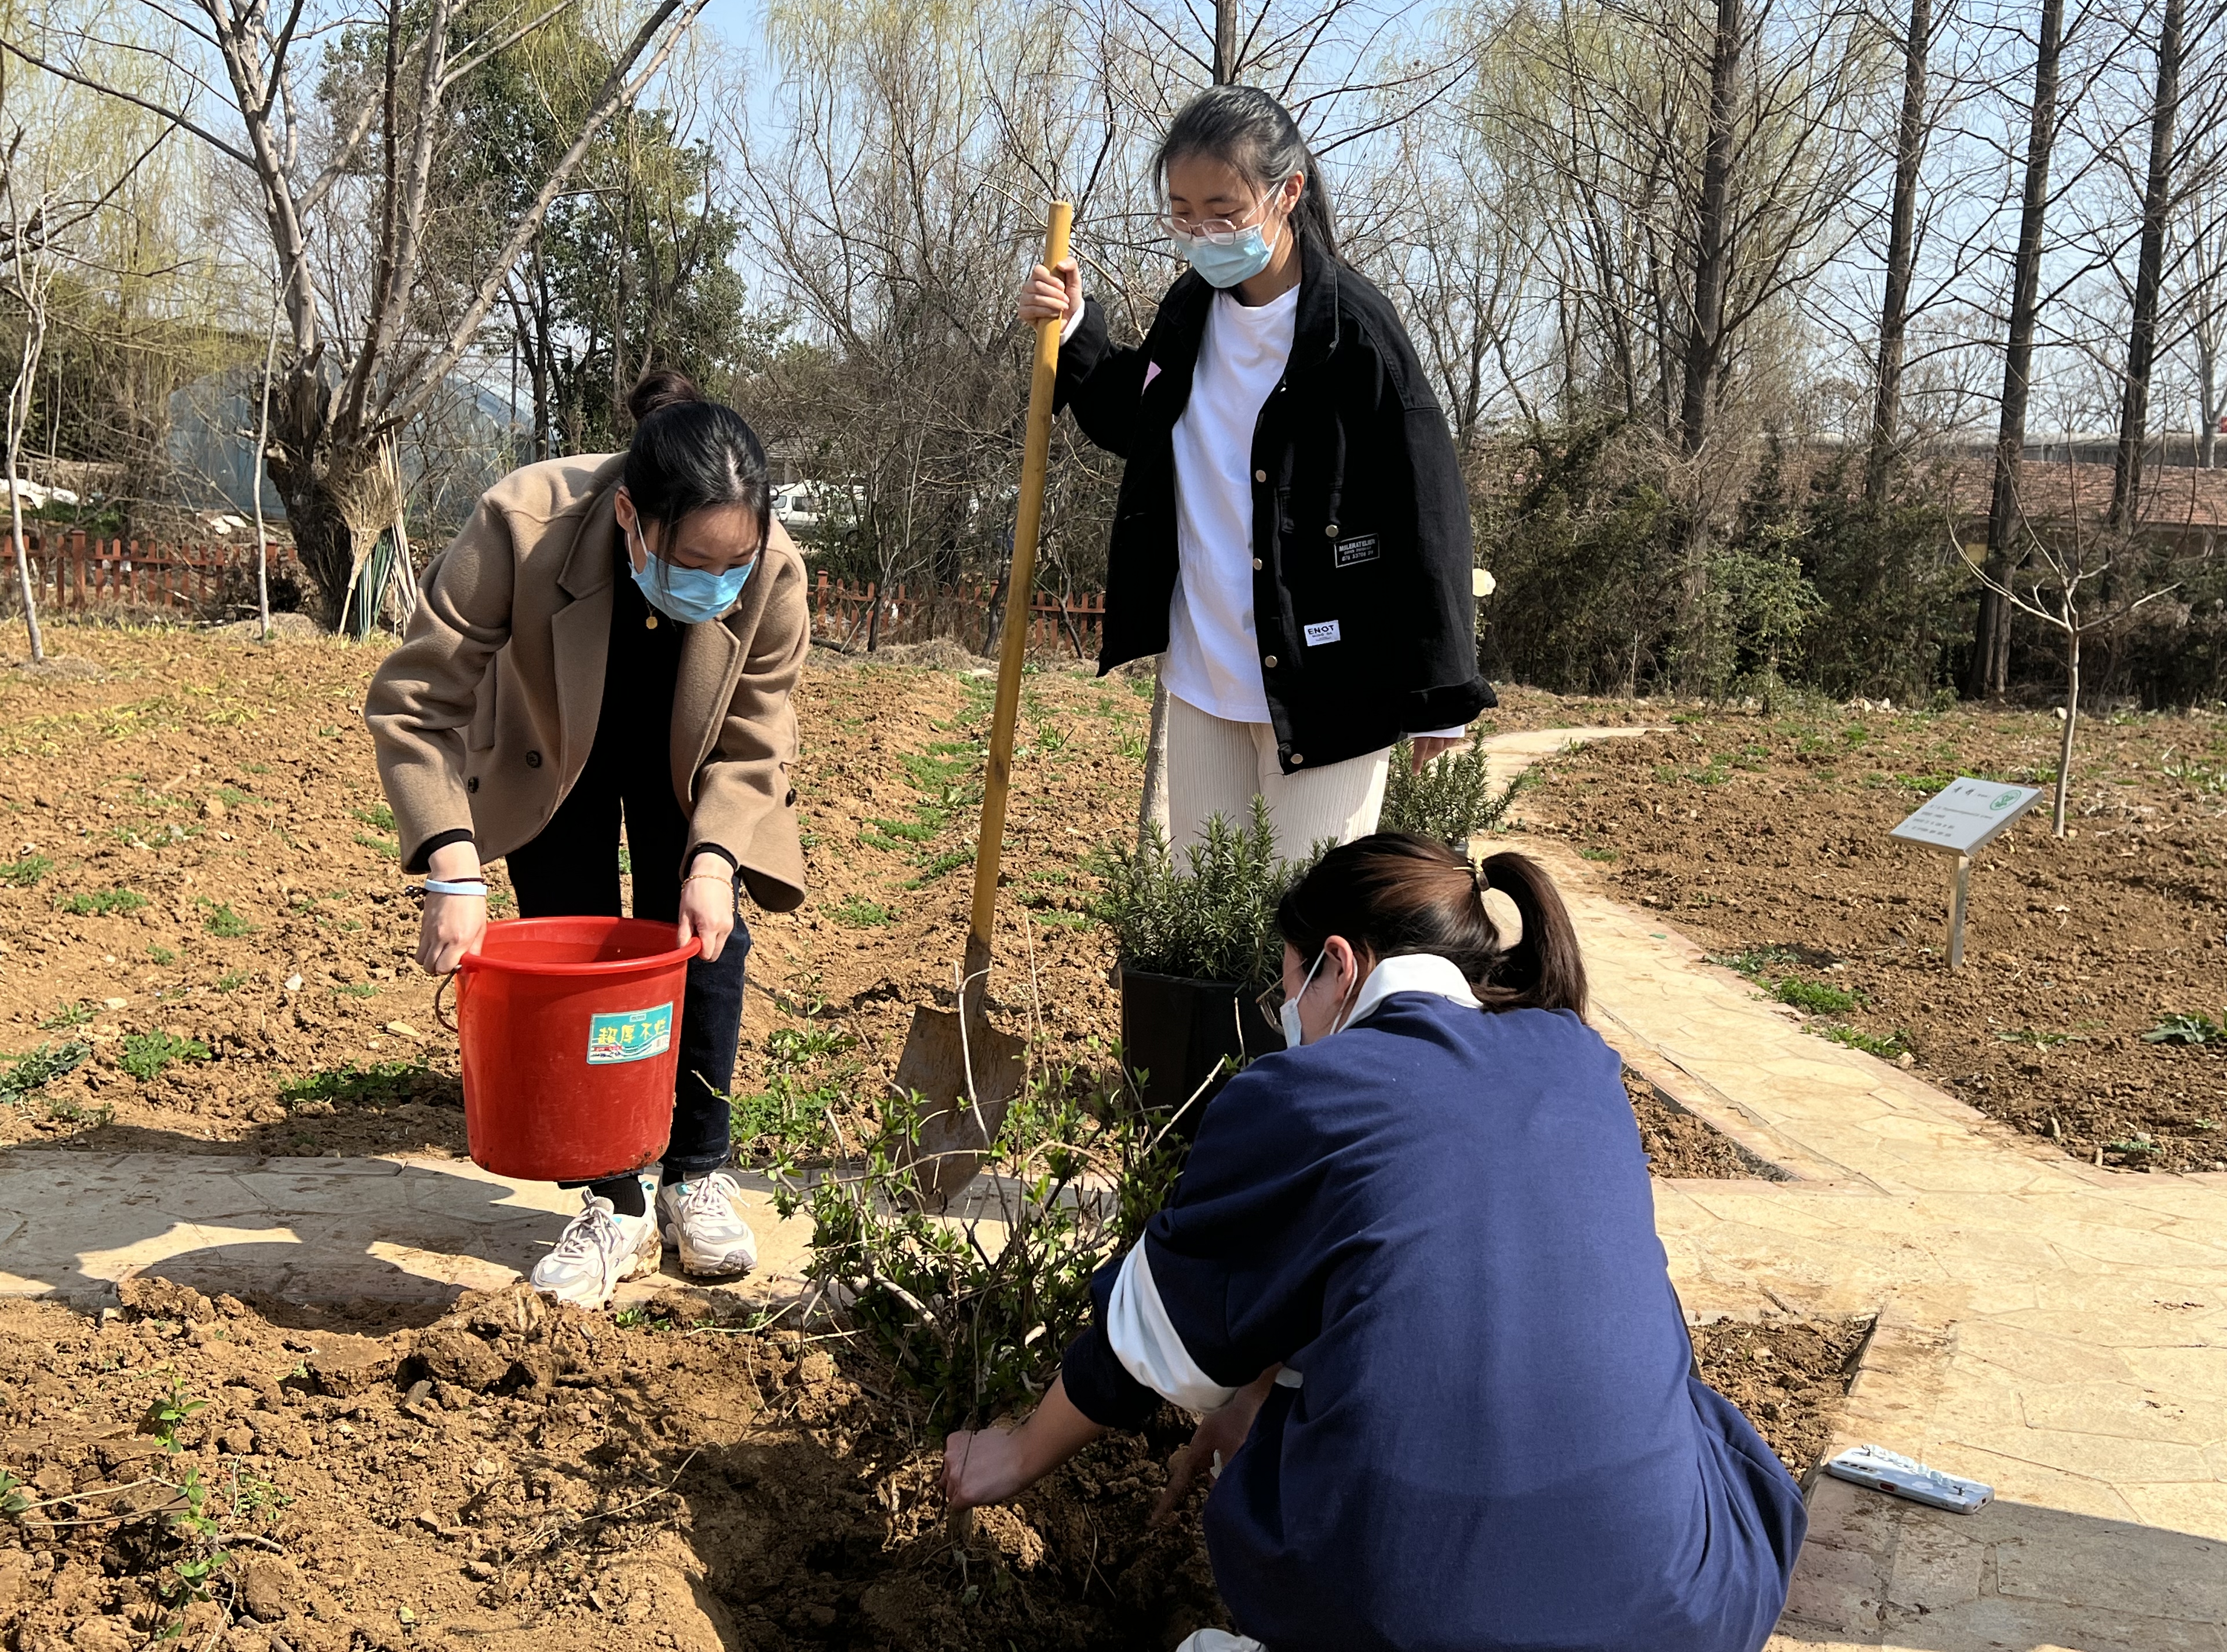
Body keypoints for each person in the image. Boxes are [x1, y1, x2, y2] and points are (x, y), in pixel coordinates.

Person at [943, 834, 1806, 1652]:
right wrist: (1253, 1398)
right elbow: (1435, 1272)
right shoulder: (1577, 1060)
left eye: (1291, 987)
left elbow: (1145, 1339)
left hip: (1411, 1619)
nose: (1289, 1017)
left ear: (1340, 964)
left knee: (1335, 1523)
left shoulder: (1310, 1095)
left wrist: (1012, 1455)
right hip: (1683, 1609)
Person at [365, 370, 809, 1308]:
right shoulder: (521, 525)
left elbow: (759, 730)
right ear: (628, 518)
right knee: (580, 949)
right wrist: (451, 867)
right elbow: (415, 704)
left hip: (691, 759)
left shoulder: (773, 572)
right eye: (692, 561)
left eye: (735, 563)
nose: (717, 583)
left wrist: (719, 856)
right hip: (549, 744)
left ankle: (694, 1172)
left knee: (701, 938)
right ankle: (614, 1195)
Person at [1017, 86, 1495, 859]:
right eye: (1182, 213)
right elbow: (1140, 428)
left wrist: (1443, 694)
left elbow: (1429, 505)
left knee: (1305, 916)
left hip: (1330, 681)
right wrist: (1074, 330)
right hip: (1205, 669)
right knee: (1203, 911)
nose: (1202, 233)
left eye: (1224, 211)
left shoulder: (1356, 335)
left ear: (1288, 192)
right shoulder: (1189, 312)